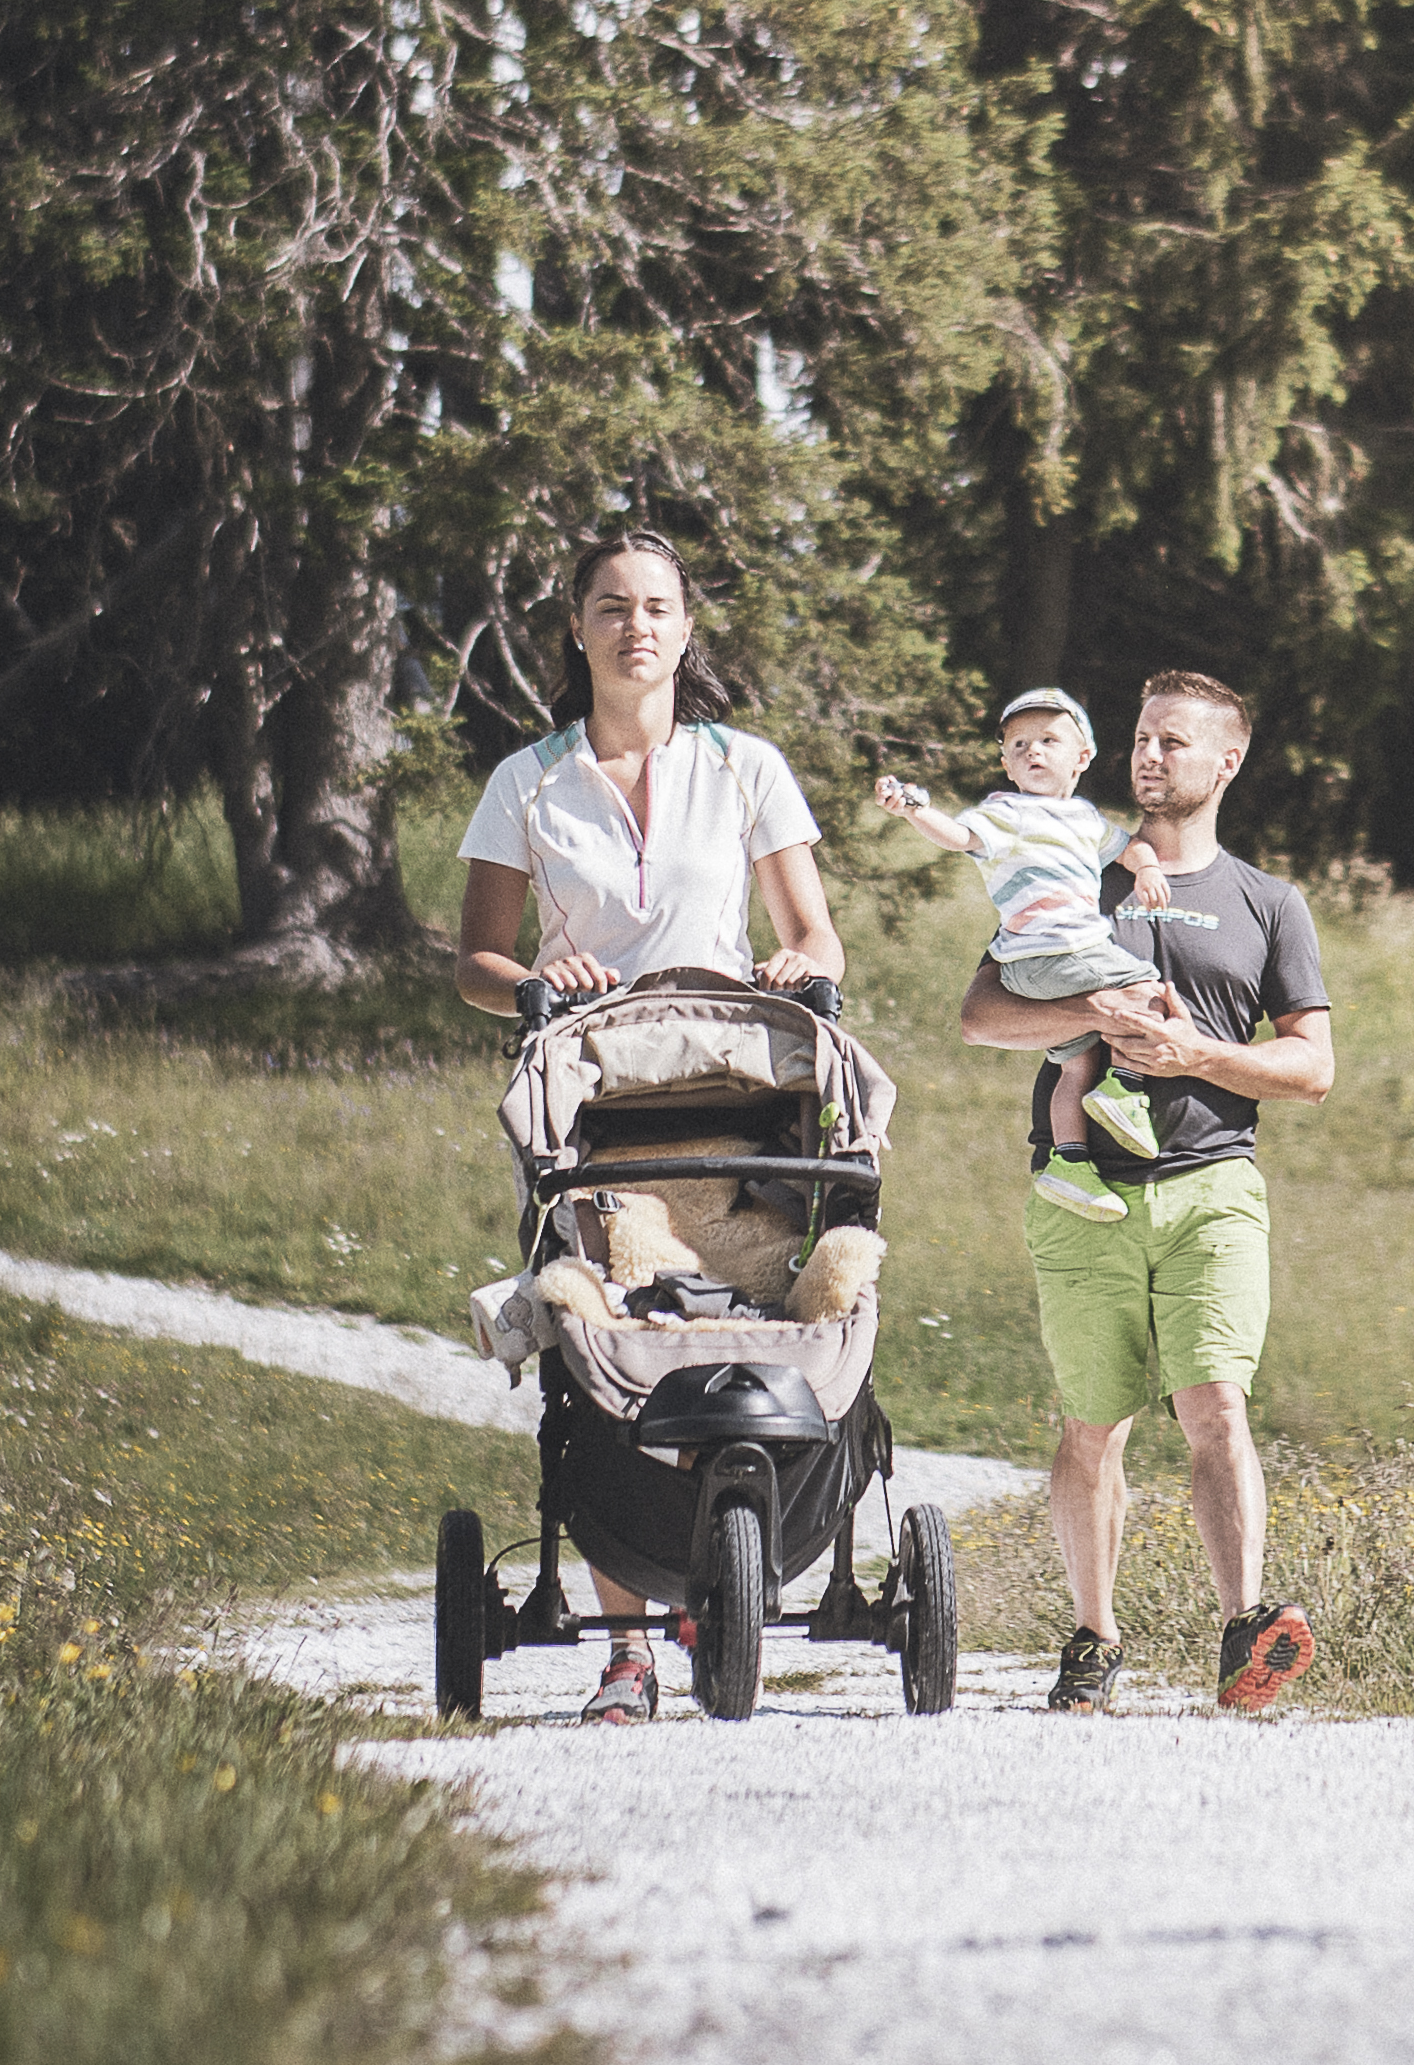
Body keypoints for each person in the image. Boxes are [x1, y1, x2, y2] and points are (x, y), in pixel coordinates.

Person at [455, 521, 848, 1727]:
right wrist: (533, 984)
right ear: (577, 630)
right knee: (603, 1340)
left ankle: (746, 1537)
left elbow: (817, 937)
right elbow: (477, 958)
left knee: (748, 1298)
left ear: (685, 631)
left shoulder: (743, 767)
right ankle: (626, 1651)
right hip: (590, 1091)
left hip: (730, 1085)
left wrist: (797, 963)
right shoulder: (527, 781)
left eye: (657, 607)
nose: (637, 626)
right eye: (613, 606)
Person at [958, 666, 1333, 1719]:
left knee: (1217, 1403)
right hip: (1081, 1190)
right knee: (1095, 1424)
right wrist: (1098, 1013)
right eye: (1140, 738)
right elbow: (982, 1017)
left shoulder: (1268, 903)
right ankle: (1094, 1638)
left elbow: (1312, 1067)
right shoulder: (1073, 870)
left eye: (1174, 740)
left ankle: (1245, 1629)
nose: (1149, 756)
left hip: (1214, 1184)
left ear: (1228, 760)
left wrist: (1194, 1053)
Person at [874, 686, 1171, 1210]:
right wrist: (915, 811)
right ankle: (1124, 1088)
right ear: (1007, 767)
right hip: (1058, 949)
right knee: (1148, 990)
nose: (1032, 750)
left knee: (1075, 1064)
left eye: (1048, 741)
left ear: (1082, 757)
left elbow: (1130, 847)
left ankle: (1070, 1164)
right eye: (1018, 745)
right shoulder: (1007, 811)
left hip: (1030, 968)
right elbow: (958, 836)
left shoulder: (1086, 819)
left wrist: (1146, 867)